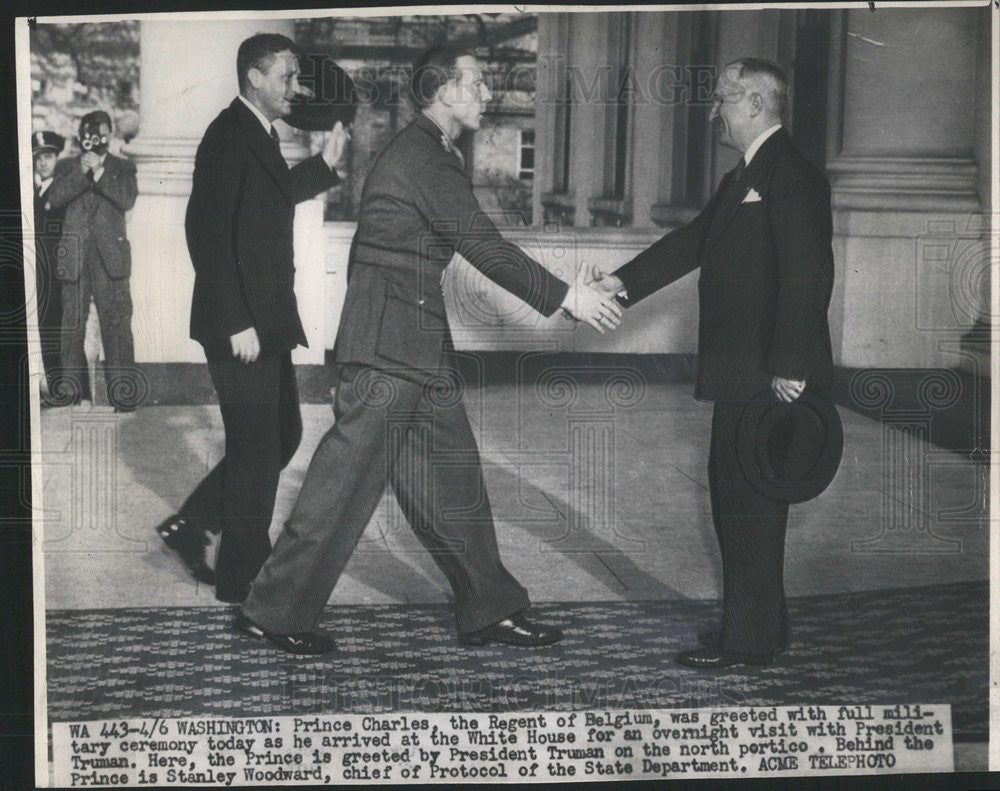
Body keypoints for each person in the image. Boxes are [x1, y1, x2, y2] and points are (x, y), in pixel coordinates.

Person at [237, 45, 622, 655]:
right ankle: (272, 611)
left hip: (414, 341)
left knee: (452, 479)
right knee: (340, 486)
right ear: (443, 91)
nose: (487, 94)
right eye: (476, 83)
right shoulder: (422, 158)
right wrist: (566, 297)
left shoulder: (433, 151)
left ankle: (490, 607)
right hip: (389, 344)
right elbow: (484, 246)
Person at [591, 58, 834, 668]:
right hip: (743, 369)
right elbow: (692, 242)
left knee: (749, 504)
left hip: (769, 375)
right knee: (737, 499)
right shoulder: (745, 175)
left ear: (755, 103)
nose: (713, 112)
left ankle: (748, 642)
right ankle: (760, 629)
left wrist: (788, 365)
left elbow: (810, 276)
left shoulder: (792, 174)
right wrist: (618, 283)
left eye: (723, 99)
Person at [155, 33, 349, 603]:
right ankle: (244, 579)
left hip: (267, 318)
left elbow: (271, 197)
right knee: (258, 450)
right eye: (287, 77)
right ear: (255, 78)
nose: (297, 88)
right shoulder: (225, 135)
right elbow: (206, 233)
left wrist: (324, 166)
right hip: (241, 321)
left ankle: (191, 523)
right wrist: (236, 319)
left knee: (279, 435)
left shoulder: (255, 133)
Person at [47, 111, 138, 410]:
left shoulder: (122, 168)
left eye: (99, 134)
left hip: (109, 259)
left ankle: (123, 397)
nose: (94, 140)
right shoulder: (65, 167)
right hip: (74, 257)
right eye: (88, 134)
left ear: (110, 134)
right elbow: (55, 199)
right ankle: (71, 395)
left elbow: (126, 199)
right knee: (71, 323)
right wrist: (82, 173)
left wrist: (99, 173)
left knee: (116, 323)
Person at [31, 130, 66, 400]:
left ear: (57, 158)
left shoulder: (61, 191)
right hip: (33, 269)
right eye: (38, 157)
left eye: (49, 157)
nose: (43, 163)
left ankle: (57, 386)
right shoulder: (31, 190)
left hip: (54, 272)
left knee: (52, 326)